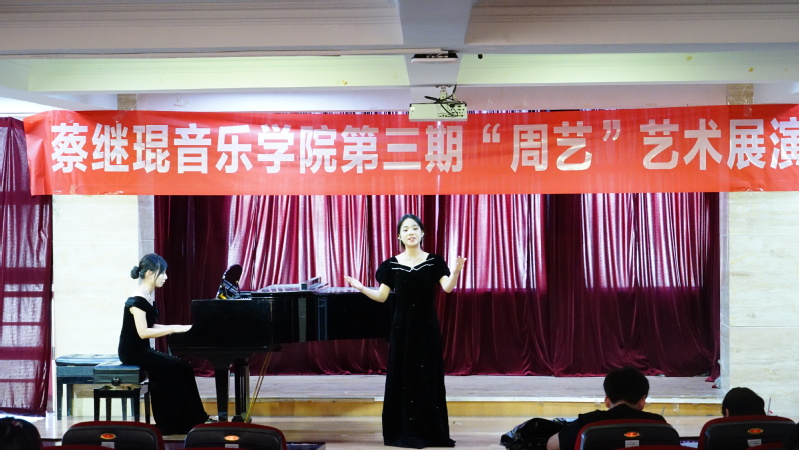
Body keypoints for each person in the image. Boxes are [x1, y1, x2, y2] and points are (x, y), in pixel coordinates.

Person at [345, 213, 466, 449]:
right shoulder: (390, 265)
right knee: (403, 376)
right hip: (402, 328)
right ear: (399, 236)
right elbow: (382, 297)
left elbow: (448, 288)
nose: (411, 232)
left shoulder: (434, 262)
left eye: (415, 228)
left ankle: (431, 432)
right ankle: (404, 431)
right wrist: (361, 288)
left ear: (422, 233)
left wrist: (456, 272)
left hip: (427, 327)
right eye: (406, 229)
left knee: (428, 376)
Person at [118, 253, 212, 435]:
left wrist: (182, 328)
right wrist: (174, 329)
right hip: (132, 351)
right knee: (178, 368)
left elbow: (151, 326)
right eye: (162, 273)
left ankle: (192, 419)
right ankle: (172, 422)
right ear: (149, 274)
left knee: (183, 367)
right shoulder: (137, 299)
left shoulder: (147, 296)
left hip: (142, 349)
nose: (166, 277)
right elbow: (143, 332)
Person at [546, 366, 667, 450]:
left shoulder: (589, 422)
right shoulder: (659, 425)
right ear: (642, 401)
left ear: (607, 401)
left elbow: (552, 445)